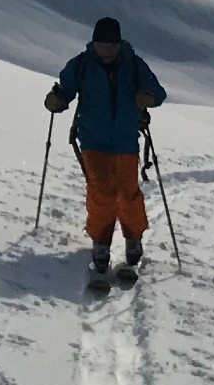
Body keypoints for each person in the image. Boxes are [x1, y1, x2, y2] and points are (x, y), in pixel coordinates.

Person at [43, 17, 167, 278]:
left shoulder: (134, 65)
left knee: (128, 192)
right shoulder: (82, 65)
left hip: (125, 141)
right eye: (102, 45)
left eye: (111, 46)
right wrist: (57, 100)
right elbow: (66, 89)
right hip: (93, 140)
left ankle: (133, 238)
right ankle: (101, 242)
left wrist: (149, 97)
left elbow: (158, 91)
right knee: (101, 191)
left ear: (119, 43)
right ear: (94, 43)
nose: (106, 51)